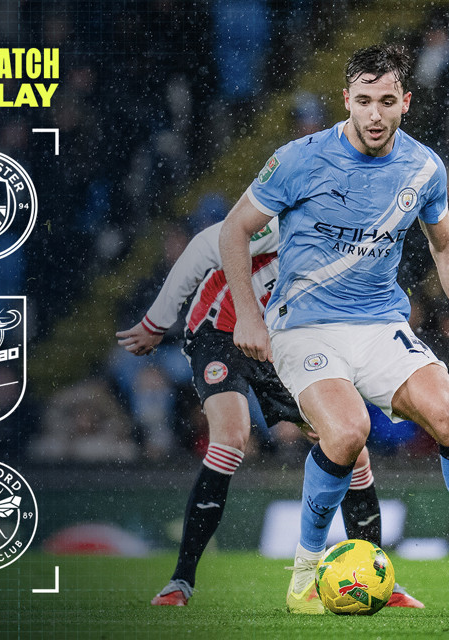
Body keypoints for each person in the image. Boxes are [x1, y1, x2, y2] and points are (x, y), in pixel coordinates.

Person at [219, 44, 449, 614]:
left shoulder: (423, 167)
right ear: (347, 99)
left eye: (388, 101)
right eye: (365, 100)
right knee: (347, 432)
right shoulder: (299, 159)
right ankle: (303, 579)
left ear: (406, 103)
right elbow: (234, 230)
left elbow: (446, 244)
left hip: (379, 324)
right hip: (305, 327)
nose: (375, 114)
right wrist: (249, 316)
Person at [115, 216, 423, 608]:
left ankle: (381, 581)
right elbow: (203, 248)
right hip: (220, 332)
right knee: (232, 435)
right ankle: (180, 582)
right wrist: (156, 322)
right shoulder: (292, 222)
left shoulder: (358, 249)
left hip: (280, 343)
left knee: (351, 444)